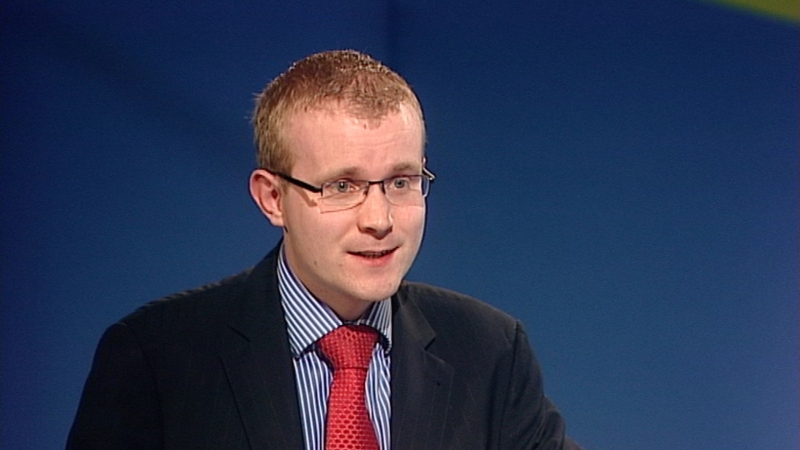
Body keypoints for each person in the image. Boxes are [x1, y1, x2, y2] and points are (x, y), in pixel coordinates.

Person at [67, 50, 581, 450]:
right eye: (341, 187)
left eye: (401, 181)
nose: (379, 220)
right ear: (273, 198)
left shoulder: (489, 351)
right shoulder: (156, 359)